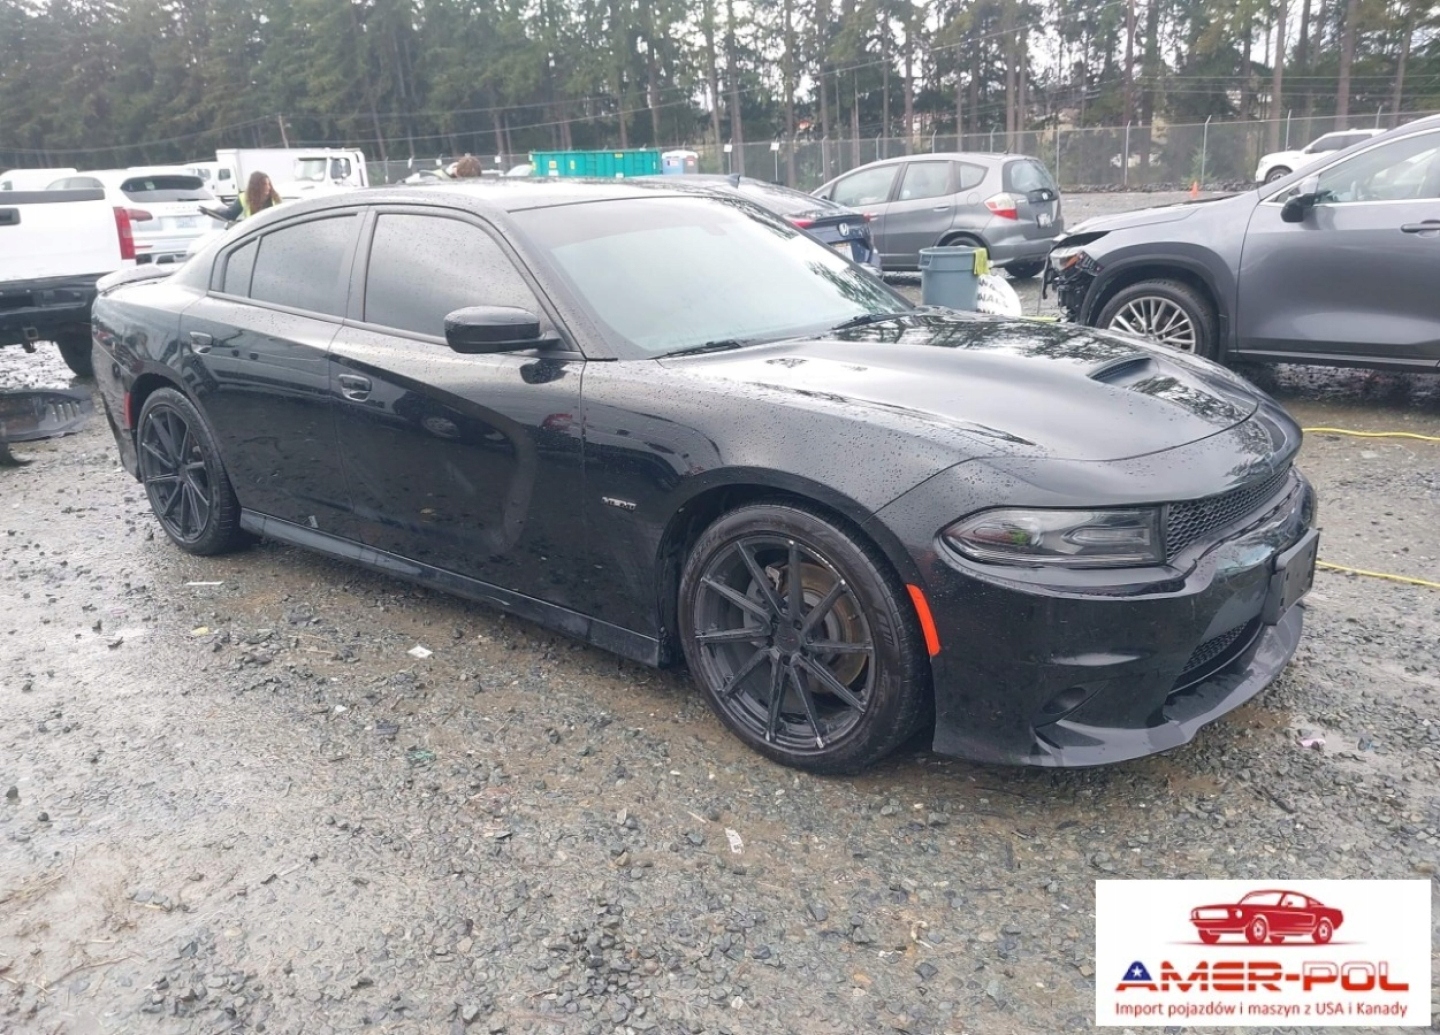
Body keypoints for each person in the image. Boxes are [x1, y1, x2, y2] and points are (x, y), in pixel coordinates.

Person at [216, 171, 282, 222]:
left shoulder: (275, 199)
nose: (268, 187)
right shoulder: (243, 198)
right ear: (256, 186)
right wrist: (217, 209)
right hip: (254, 233)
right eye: (264, 184)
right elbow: (229, 215)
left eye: (269, 184)